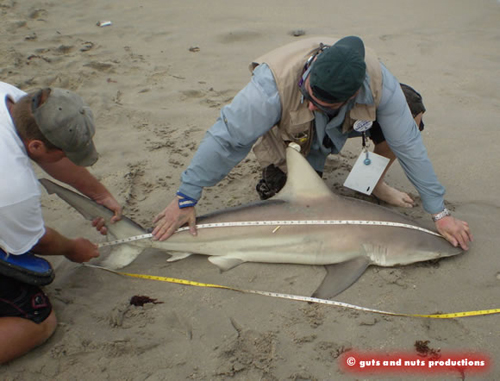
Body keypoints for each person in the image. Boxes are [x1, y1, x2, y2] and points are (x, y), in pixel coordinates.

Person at [152, 36, 473, 251]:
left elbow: (409, 146)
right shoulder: (267, 89)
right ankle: (292, 169)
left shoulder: (377, 84)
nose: (309, 105)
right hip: (291, 135)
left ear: (352, 95)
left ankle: (371, 183)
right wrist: (186, 197)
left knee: (411, 112)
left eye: (319, 104)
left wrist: (439, 212)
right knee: (285, 198)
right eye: (309, 95)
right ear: (310, 73)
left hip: (346, 119)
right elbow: (225, 141)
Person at [0, 82, 122, 364]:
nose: (70, 159)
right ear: (36, 145)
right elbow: (33, 242)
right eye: (67, 152)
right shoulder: (12, 188)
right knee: (37, 322)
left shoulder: (18, 101)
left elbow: (51, 156)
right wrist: (71, 248)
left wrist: (99, 194)